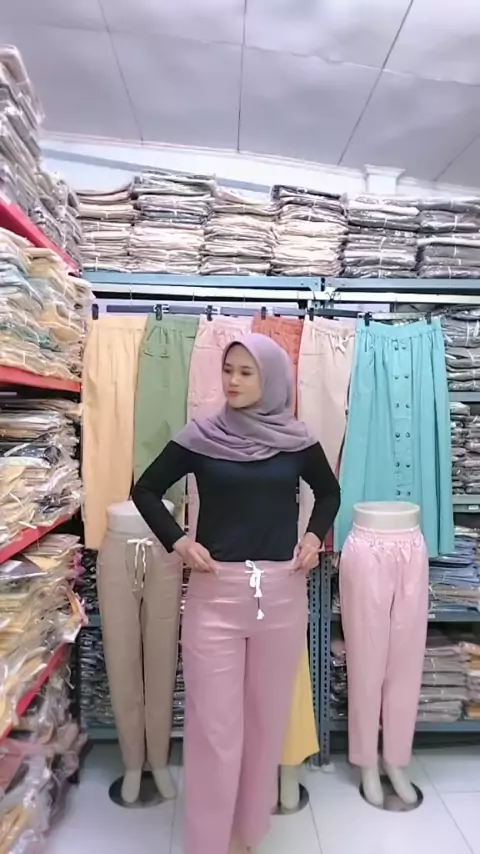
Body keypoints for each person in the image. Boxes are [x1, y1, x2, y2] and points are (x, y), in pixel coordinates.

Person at [132, 333, 340, 854]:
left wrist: (313, 536)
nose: (233, 381)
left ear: (271, 379)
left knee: (265, 723)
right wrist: (178, 541)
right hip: (215, 595)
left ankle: (247, 832)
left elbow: (329, 492)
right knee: (215, 728)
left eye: (247, 372)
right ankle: (210, 839)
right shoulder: (202, 435)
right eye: (228, 370)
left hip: (282, 594)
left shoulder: (297, 439)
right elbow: (145, 489)